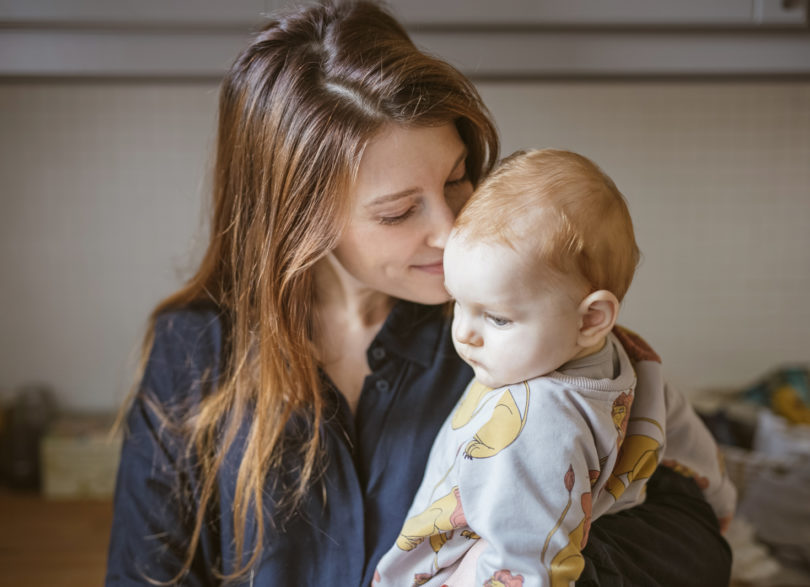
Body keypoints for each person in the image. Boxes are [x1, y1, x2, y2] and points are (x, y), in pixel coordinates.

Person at [105, 2, 732, 586]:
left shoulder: (520, 328)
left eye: (458, 179)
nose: (452, 228)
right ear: (296, 222)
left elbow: (694, 541)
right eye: (399, 211)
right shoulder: (195, 352)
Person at [372, 149, 736, 587]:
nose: (464, 334)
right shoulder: (631, 354)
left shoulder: (536, 425)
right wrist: (720, 500)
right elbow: (684, 440)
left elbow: (526, 566)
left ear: (590, 319)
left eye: (497, 317)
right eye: (459, 305)